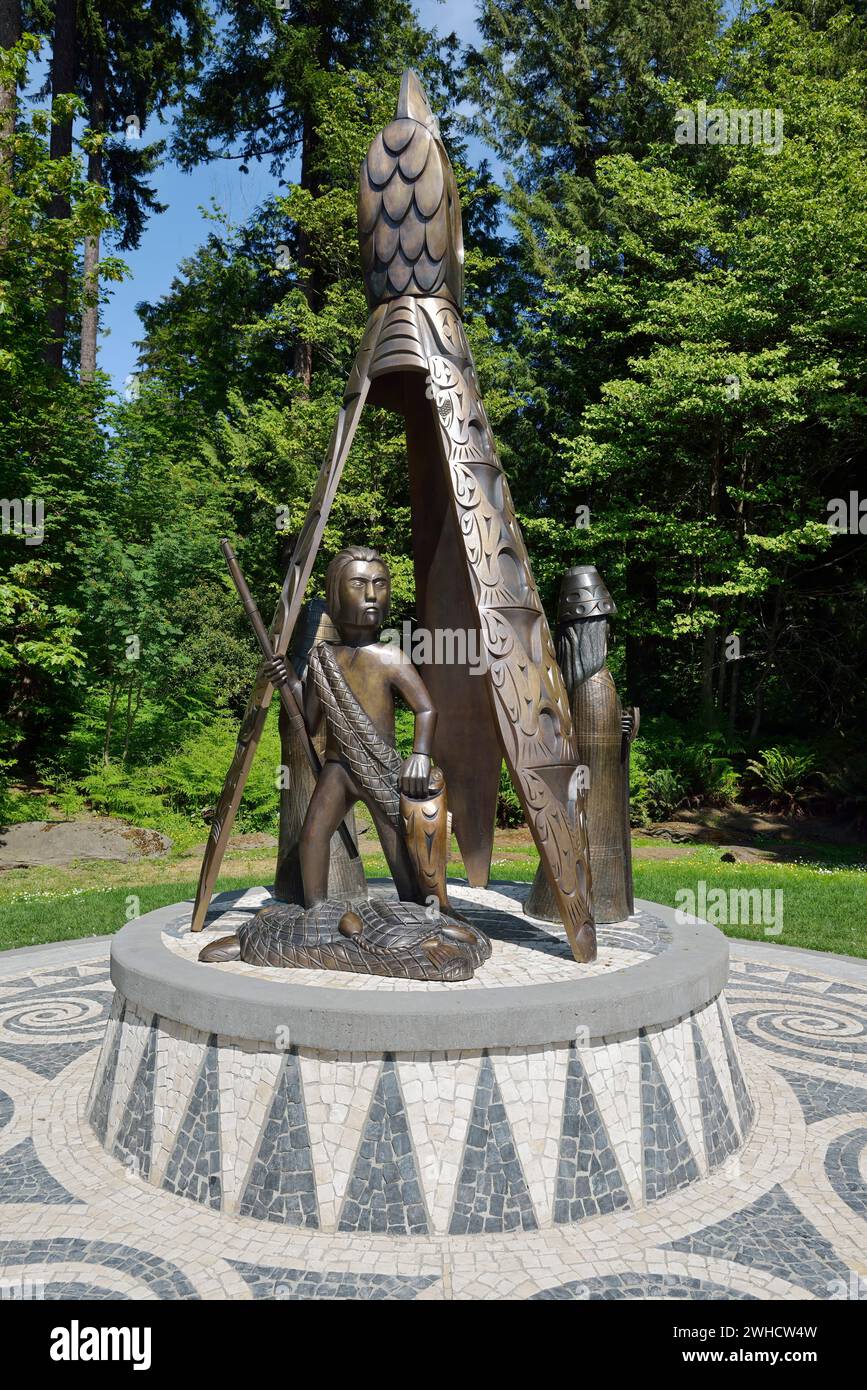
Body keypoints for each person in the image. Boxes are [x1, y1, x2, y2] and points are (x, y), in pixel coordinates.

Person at [265, 546, 436, 906]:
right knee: (312, 836)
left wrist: (420, 753)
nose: (372, 594)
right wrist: (289, 679)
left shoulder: (390, 657)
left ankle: (415, 911)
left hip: (380, 768)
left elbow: (425, 709)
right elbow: (310, 719)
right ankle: (316, 913)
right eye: (359, 584)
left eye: (380, 584)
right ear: (336, 594)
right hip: (337, 769)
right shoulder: (325, 659)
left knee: (398, 846)